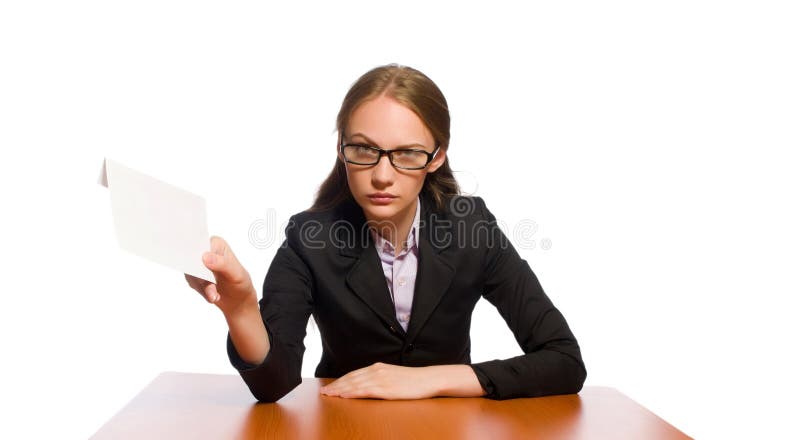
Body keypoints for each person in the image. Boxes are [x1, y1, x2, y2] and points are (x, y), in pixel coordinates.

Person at [184, 64, 586, 402]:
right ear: (341, 148)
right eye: (363, 149)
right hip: (345, 425)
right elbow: (274, 385)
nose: (381, 176)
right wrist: (241, 309)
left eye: (407, 154)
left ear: (436, 157)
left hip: (447, 426)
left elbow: (564, 360)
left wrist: (431, 380)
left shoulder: (472, 228)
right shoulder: (309, 238)